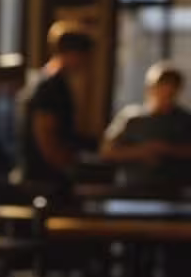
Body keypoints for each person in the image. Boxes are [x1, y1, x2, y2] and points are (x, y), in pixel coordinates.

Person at [17, 21, 95, 187]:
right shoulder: (51, 86)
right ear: (72, 54)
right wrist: (69, 170)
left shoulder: (47, 82)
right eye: (84, 56)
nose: (86, 63)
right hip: (44, 180)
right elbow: (45, 136)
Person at [101, 62, 191, 187]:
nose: (165, 93)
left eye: (171, 89)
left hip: (174, 190)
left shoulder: (184, 120)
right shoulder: (130, 118)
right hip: (131, 190)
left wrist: (167, 149)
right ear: (150, 88)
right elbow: (107, 152)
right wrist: (140, 152)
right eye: (161, 86)